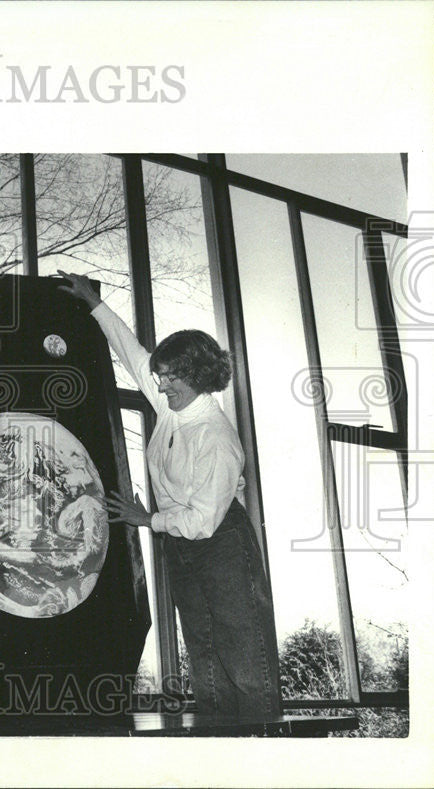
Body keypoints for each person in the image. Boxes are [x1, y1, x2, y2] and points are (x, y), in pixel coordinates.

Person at [58, 270, 281, 720]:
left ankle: (262, 744)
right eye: (159, 378)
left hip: (220, 540)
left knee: (242, 646)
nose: (159, 386)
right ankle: (218, 743)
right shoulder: (172, 406)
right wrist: (92, 302)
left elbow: (202, 520)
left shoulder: (215, 436)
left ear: (196, 374)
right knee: (200, 641)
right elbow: (130, 351)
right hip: (181, 544)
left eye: (168, 378)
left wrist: (148, 521)